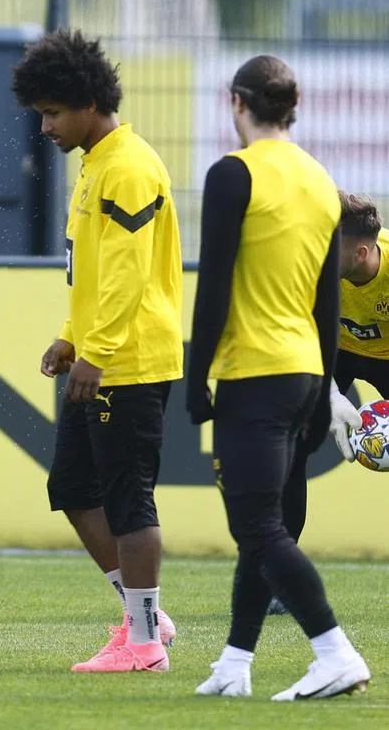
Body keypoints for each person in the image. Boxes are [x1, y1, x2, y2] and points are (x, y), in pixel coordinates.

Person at [187, 54, 370, 700]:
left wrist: (194, 375)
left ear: (237, 101)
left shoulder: (233, 175)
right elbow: (330, 305)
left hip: (254, 372)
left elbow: (212, 290)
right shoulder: (321, 181)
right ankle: (235, 663)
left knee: (258, 526)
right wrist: (325, 391)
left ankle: (333, 650)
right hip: (304, 372)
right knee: (266, 526)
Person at [12, 29, 181, 673]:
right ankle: (145, 617)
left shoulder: (130, 167)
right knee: (74, 487)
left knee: (129, 499)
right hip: (104, 353)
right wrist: (70, 336)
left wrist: (99, 350)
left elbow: (130, 275)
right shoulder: (98, 165)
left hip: (130, 361)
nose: (47, 127)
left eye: (53, 113)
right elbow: (94, 271)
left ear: (87, 102)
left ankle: (141, 645)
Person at [266, 192, 379, 617]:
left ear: (363, 251)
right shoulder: (311, 263)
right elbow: (304, 338)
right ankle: (280, 580)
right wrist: (330, 396)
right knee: (292, 451)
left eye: (334, 248)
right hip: (333, 355)